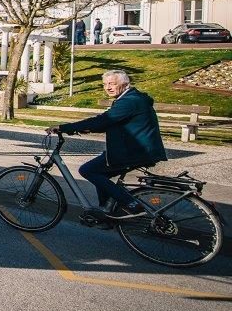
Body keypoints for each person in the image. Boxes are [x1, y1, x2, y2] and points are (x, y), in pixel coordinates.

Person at [46, 70, 167, 227]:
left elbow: (104, 120)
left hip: (134, 152)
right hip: (135, 150)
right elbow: (112, 122)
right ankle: (107, 212)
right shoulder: (130, 98)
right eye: (105, 84)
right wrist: (86, 128)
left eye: (112, 84)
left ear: (125, 84)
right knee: (100, 173)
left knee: (88, 170)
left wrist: (63, 127)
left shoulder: (130, 101)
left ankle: (131, 204)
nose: (108, 87)